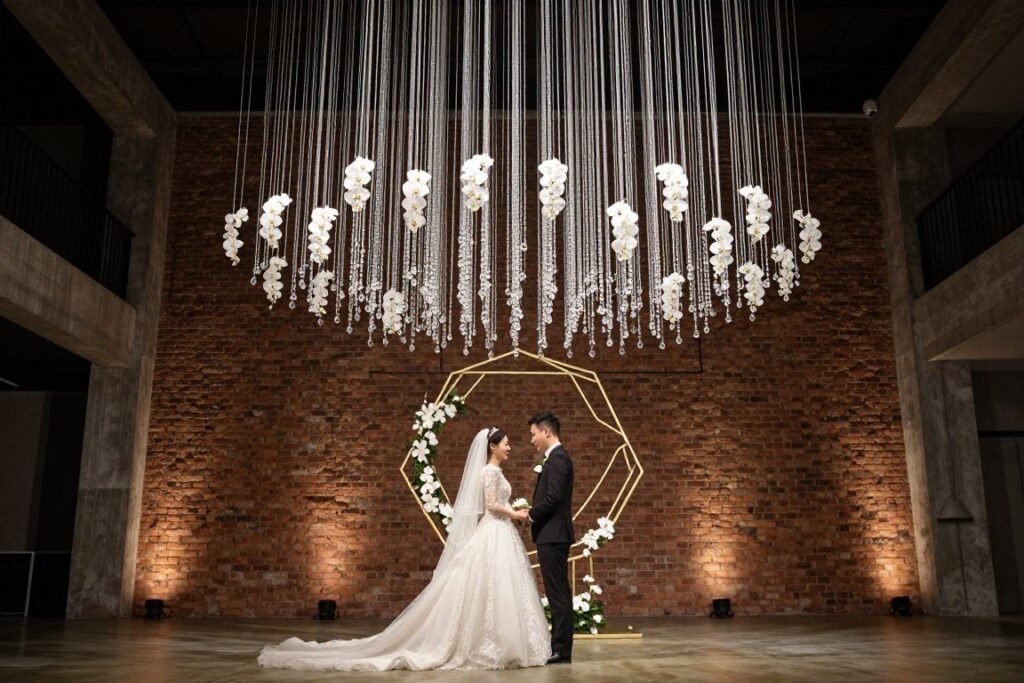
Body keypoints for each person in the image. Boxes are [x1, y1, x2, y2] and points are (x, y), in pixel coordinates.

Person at [257, 428, 551, 671]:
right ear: (492, 446)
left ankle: (502, 642)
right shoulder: (489, 472)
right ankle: (490, 645)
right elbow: (489, 505)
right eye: (506, 444)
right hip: (494, 531)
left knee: (499, 589)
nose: (510, 448)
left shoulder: (496, 472)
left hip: (501, 533)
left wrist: (515, 512)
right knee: (489, 588)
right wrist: (516, 513)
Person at [527, 410, 575, 665]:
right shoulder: (554, 458)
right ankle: (559, 646)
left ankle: (562, 649)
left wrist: (531, 514)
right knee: (558, 592)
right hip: (552, 535)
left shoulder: (557, 459)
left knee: (558, 594)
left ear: (546, 432)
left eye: (533, 434)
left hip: (554, 535)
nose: (532, 439)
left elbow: (553, 497)